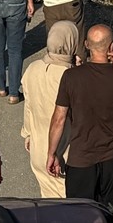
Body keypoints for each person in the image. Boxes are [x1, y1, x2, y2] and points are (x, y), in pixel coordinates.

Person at [47, 24, 113, 204]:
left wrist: (52, 153)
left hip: (80, 160)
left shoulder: (71, 76)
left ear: (86, 44)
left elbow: (58, 119)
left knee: (80, 215)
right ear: (111, 46)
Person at [21, 21, 78, 198]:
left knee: (49, 201)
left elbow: (28, 106)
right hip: (63, 150)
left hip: (38, 147)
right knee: (69, 201)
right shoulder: (70, 76)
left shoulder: (32, 69)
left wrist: (27, 134)